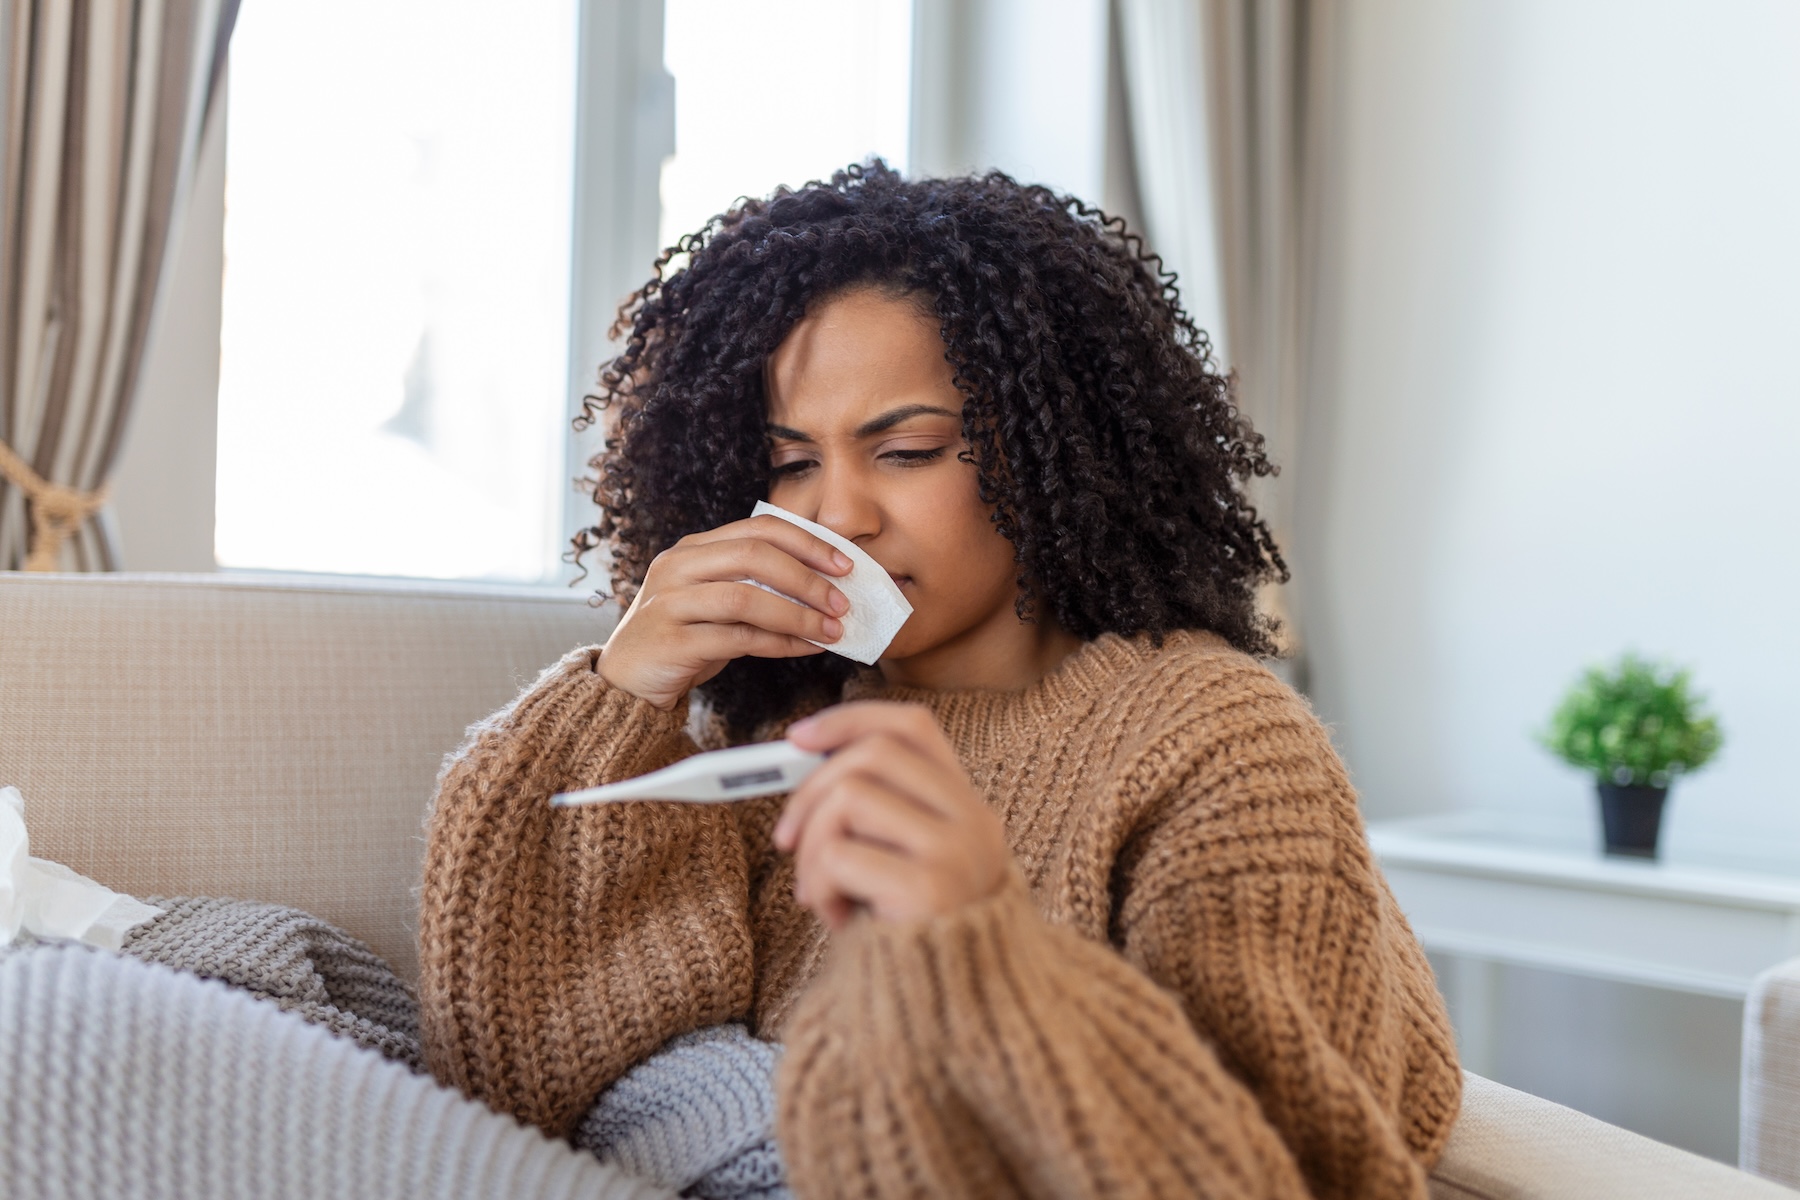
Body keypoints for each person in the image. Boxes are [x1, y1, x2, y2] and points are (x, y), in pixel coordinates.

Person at [417, 162, 1461, 1199]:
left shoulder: (1213, 742)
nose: (838, 515)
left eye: (907, 450)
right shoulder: (773, 714)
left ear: (1062, 448)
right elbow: (521, 1071)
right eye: (792, 463)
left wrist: (981, 946)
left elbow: (1297, 1168)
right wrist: (619, 689)